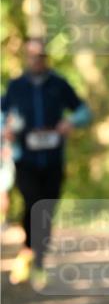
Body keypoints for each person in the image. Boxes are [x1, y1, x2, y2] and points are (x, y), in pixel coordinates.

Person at [1, 38, 92, 289]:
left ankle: (37, 260)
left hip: (53, 159)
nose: (36, 60)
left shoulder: (58, 84)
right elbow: (2, 114)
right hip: (25, 158)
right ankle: (31, 253)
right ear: (26, 58)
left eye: (41, 56)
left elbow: (84, 111)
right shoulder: (17, 86)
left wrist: (71, 122)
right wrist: (4, 131)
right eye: (32, 56)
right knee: (33, 203)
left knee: (47, 209)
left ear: (46, 58)